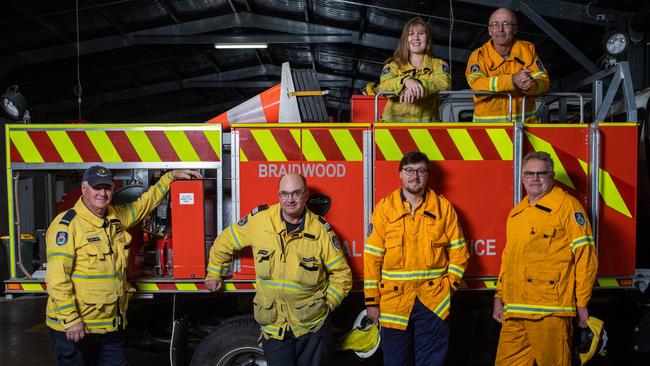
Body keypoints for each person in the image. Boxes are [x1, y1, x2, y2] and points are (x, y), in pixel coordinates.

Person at [45, 166, 201, 365]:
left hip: (111, 327)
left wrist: (169, 178)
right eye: (97, 188)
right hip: (78, 329)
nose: (103, 193)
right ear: (84, 189)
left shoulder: (115, 218)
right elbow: (57, 279)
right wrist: (71, 319)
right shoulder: (66, 226)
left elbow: (144, 204)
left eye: (107, 188)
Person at [205, 173, 352, 366]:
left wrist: (326, 305)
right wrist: (214, 273)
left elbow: (343, 276)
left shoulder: (321, 231)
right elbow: (225, 241)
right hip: (275, 328)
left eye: (296, 193)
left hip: (312, 328)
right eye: (285, 194)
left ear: (306, 196)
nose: (290, 199)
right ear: (279, 196)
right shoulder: (260, 221)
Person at [364, 151, 469, 366]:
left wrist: (448, 287)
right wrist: (372, 301)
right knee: (395, 362)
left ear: (427, 175)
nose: (415, 176)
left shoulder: (443, 208)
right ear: (400, 174)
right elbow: (372, 258)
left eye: (421, 171)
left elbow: (460, 253)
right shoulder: (385, 209)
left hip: (433, 301)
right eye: (409, 171)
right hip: (395, 302)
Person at [493, 151, 598, 365]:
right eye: (530, 174)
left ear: (552, 176)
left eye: (541, 174)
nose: (535, 179)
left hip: (550, 312)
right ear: (522, 177)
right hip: (514, 311)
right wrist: (498, 297)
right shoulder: (517, 213)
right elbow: (508, 259)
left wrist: (582, 303)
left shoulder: (567, 206)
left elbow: (585, 257)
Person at [466, 8, 550, 122]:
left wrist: (531, 85)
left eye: (506, 24)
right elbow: (477, 85)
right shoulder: (478, 56)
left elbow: (544, 81)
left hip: (524, 130)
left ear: (515, 29)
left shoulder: (528, 50)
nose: (500, 29)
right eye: (495, 24)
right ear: (489, 30)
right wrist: (512, 80)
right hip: (488, 132)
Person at [378, 17, 451, 122]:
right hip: (392, 131)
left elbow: (444, 85)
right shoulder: (393, 65)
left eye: (421, 33)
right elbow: (383, 86)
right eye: (410, 34)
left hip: (426, 132)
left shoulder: (438, 65)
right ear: (405, 40)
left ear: (428, 39)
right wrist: (405, 82)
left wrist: (418, 85)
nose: (416, 38)